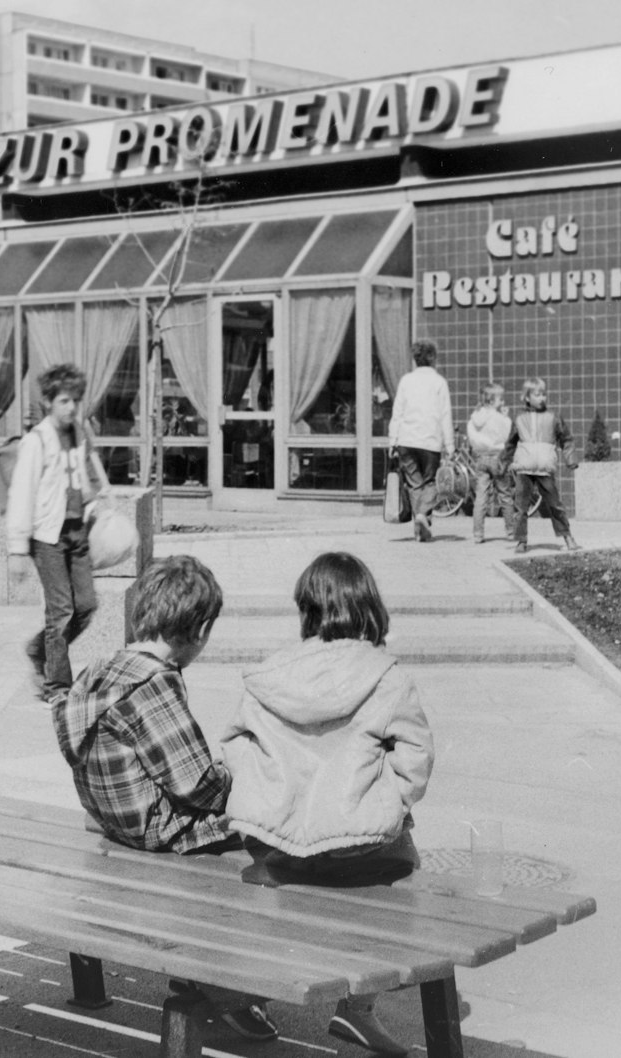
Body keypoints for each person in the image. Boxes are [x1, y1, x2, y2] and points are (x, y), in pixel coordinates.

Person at [52, 555, 280, 1043]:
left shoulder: (98, 670)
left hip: (115, 821)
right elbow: (196, 782)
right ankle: (227, 988)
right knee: (272, 839)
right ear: (197, 629)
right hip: (161, 832)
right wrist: (246, 779)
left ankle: (212, 977)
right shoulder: (154, 680)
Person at [219, 552, 434, 1057]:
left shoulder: (271, 674)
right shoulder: (387, 676)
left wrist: (270, 800)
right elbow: (416, 760)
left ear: (306, 610)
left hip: (280, 854)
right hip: (366, 855)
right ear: (369, 607)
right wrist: (389, 801)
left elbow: (233, 747)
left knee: (278, 887)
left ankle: (248, 993)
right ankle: (356, 1010)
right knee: (408, 865)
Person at [8, 363, 110, 704]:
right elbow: (21, 494)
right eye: (64, 401)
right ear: (49, 401)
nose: (71, 408)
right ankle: (57, 686)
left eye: (75, 401)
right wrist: (18, 548)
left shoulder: (78, 434)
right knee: (61, 611)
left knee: (86, 605)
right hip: (47, 536)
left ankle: (38, 649)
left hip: (77, 532)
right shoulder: (36, 441)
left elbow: (83, 479)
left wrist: (94, 508)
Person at [501, 377, 580, 553]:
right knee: (521, 507)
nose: (542, 398)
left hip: (545, 468)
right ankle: (521, 540)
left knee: (555, 505)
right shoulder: (520, 418)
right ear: (527, 397)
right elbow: (510, 443)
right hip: (524, 468)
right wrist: (504, 463)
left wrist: (571, 458)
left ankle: (567, 536)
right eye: (537, 395)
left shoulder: (553, 417)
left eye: (544, 394)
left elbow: (566, 439)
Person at [388, 339, 455, 542]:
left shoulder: (406, 381)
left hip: (406, 440)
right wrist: (450, 445)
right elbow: (445, 415)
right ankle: (422, 515)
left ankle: (419, 530)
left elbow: (397, 412)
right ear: (433, 358)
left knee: (414, 483)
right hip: (430, 441)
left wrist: (392, 441)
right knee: (431, 482)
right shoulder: (439, 382)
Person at [466, 382, 514, 544]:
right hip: (497, 458)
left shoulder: (475, 416)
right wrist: (506, 417)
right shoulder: (499, 418)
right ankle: (510, 531)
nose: (502, 402)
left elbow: (472, 435)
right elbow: (506, 435)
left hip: (481, 458)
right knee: (505, 494)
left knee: (481, 497)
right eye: (500, 398)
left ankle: (478, 534)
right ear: (493, 400)